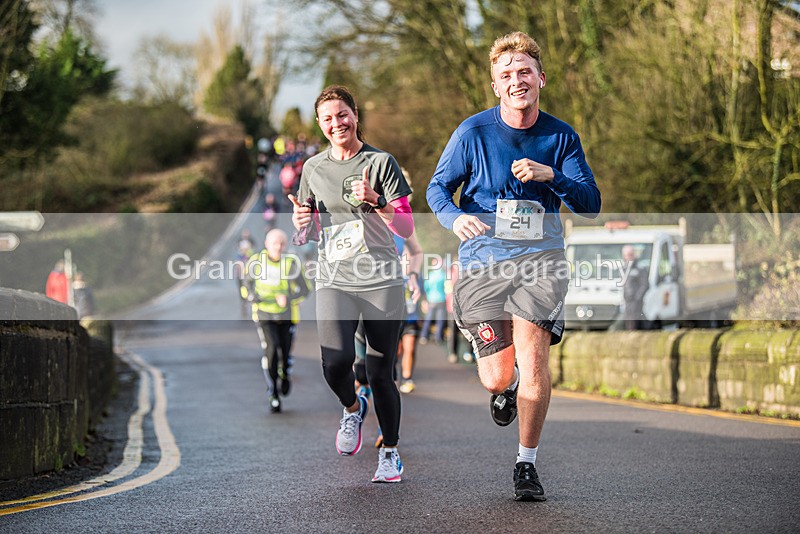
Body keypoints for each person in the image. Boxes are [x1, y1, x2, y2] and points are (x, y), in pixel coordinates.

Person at [426, 31, 601, 501]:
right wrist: (455, 217)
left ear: (541, 78)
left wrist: (553, 176)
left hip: (541, 262)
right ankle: (507, 386)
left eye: (525, 71)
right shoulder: (472, 133)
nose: (516, 80)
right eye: (506, 75)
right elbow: (437, 188)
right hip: (483, 261)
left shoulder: (561, 137)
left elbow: (591, 204)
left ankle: (527, 464)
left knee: (534, 356)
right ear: (495, 86)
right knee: (497, 377)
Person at [289, 85, 416, 483]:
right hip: (335, 278)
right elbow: (309, 230)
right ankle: (351, 408)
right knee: (335, 362)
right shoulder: (313, 169)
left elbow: (406, 226)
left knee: (379, 372)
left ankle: (390, 453)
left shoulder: (381, 162)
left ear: (355, 115)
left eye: (342, 114)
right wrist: (301, 224)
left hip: (381, 279)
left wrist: (377, 200)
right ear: (319, 124)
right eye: (328, 118)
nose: (336, 123)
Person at [240, 229, 310, 413]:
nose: (278, 247)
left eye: (281, 244)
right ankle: (273, 393)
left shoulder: (291, 263)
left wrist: (289, 298)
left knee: (285, 353)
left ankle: (285, 373)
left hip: (287, 315)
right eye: (274, 243)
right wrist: (254, 297)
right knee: (271, 351)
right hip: (264, 314)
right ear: (266, 244)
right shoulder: (256, 262)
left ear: (285, 245)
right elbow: (245, 286)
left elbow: (305, 289)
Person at [419, 256, 447, 344]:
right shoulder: (444, 275)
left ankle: (424, 336)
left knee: (428, 318)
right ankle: (438, 337)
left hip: (431, 299)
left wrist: (425, 300)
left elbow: (426, 288)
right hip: (441, 299)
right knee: (440, 319)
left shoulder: (430, 275)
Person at [622, 245, 650, 330]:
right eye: (626, 255)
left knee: (636, 320)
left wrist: (638, 297)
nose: (628, 257)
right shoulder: (624, 268)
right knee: (629, 320)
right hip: (627, 301)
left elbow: (645, 284)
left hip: (636, 301)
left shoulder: (640, 268)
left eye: (630, 254)